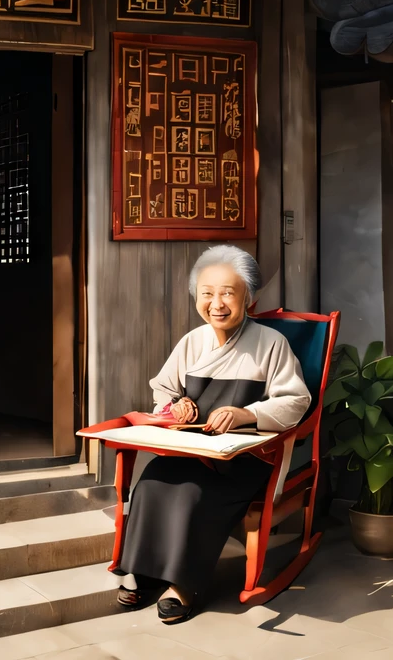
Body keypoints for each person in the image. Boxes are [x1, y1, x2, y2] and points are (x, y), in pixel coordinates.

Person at [113, 244, 310, 625]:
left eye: (227, 293)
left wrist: (246, 413)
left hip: (245, 460)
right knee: (152, 481)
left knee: (193, 496)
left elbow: (296, 403)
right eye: (207, 293)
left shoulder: (272, 344)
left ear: (248, 298)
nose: (216, 303)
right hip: (192, 451)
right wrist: (176, 406)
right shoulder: (192, 342)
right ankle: (147, 573)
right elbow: (163, 391)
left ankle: (183, 586)